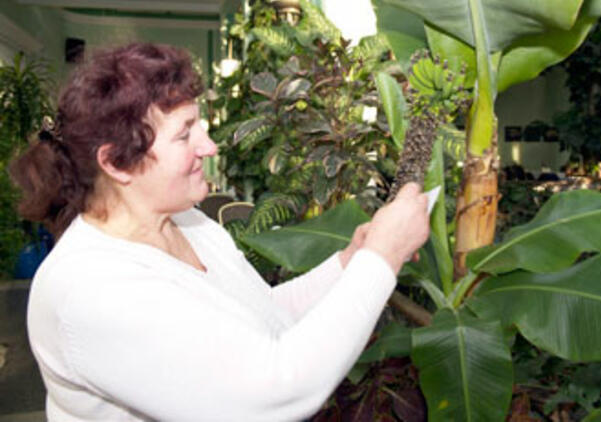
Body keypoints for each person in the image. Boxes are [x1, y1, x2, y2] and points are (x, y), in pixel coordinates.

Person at [10, 43, 430, 421]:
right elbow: (273, 392)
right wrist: (381, 258)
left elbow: (262, 313)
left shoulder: (189, 223)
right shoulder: (89, 291)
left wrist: (349, 260)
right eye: (185, 133)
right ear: (117, 163)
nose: (209, 146)